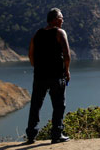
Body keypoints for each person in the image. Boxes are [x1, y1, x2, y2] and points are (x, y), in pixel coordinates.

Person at [25, 8, 71, 144]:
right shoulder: (59, 32)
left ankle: (31, 135)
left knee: (36, 104)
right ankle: (56, 134)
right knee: (59, 105)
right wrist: (67, 71)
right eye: (61, 18)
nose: (63, 20)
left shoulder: (37, 34)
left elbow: (30, 54)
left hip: (39, 76)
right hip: (56, 75)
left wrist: (37, 67)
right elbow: (67, 55)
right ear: (56, 19)